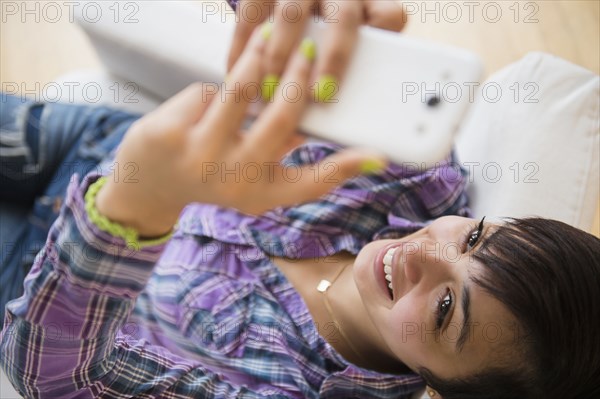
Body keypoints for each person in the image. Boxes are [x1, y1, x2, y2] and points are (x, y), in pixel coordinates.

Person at [1, 2, 599, 399]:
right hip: (93, 145)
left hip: (28, 278)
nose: (427, 252)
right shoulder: (415, 180)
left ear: (443, 384)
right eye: (475, 238)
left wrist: (138, 205)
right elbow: (275, 62)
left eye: (445, 309)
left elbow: (56, 376)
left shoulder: (282, 389)